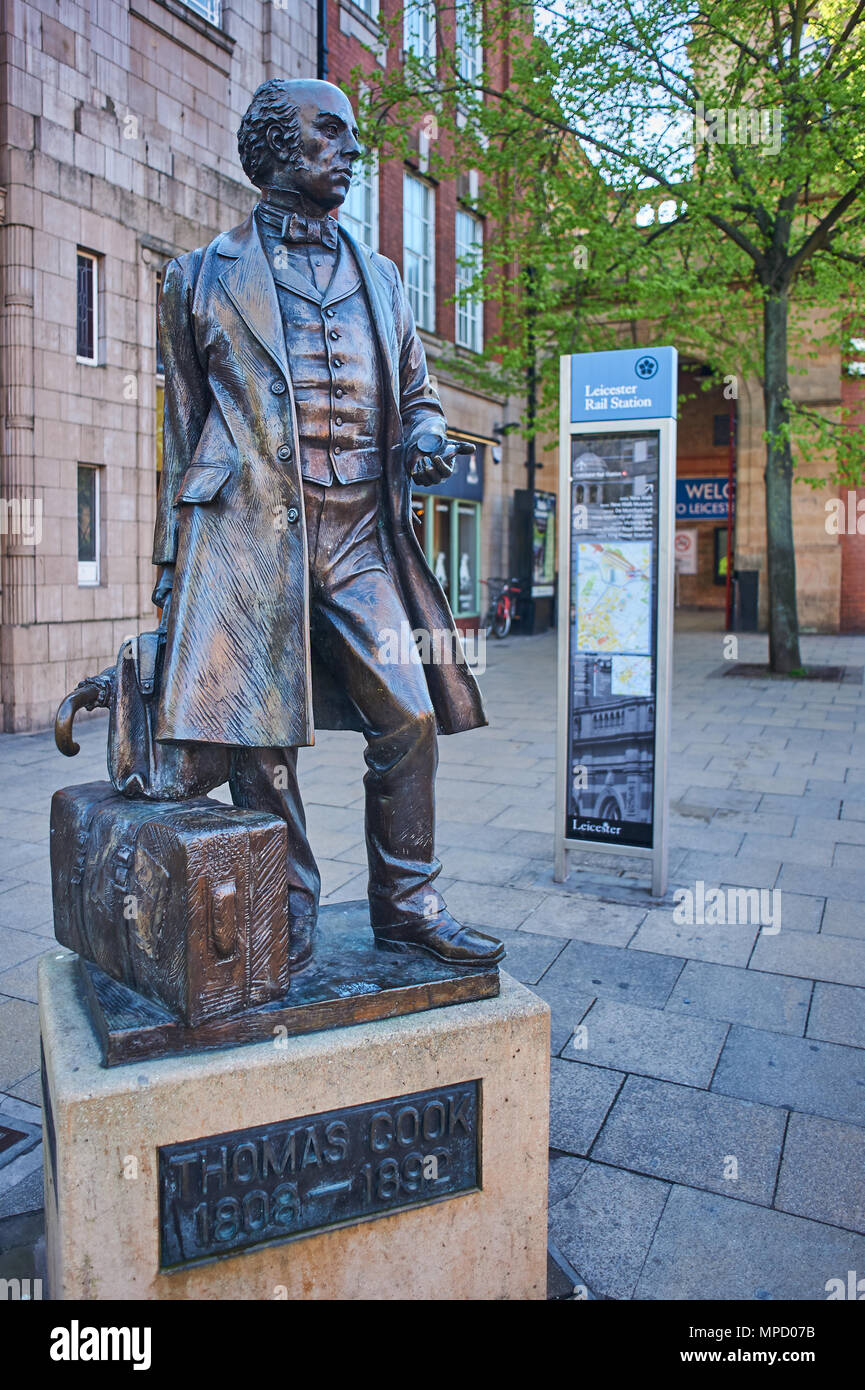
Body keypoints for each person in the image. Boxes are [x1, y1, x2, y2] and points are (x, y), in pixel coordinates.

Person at [151, 79, 504, 972]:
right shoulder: (197, 277)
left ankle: (408, 904)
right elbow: (181, 431)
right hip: (242, 541)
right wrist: (171, 571)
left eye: (351, 137)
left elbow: (419, 397)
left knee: (410, 714)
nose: (351, 151)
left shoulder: (381, 278)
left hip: (356, 538)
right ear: (276, 149)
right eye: (331, 135)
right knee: (262, 745)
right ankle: (288, 910)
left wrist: (425, 434)